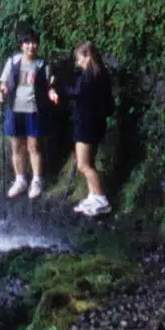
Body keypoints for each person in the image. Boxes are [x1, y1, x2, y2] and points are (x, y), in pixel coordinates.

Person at [0, 32, 59, 199]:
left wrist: (52, 93)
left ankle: (37, 180)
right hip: (14, 108)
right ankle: (20, 180)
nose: (31, 46)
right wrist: (1, 93)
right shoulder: (13, 61)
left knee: (34, 145)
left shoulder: (43, 65)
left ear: (38, 45)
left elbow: (50, 85)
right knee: (16, 146)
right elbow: (4, 83)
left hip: (34, 109)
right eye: (27, 42)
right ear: (21, 45)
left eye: (34, 43)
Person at [69, 42, 114, 217]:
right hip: (96, 123)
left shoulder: (89, 76)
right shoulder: (101, 74)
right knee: (89, 162)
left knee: (83, 165)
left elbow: (76, 93)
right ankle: (92, 196)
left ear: (88, 57)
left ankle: (101, 199)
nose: (78, 63)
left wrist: (55, 89)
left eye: (79, 59)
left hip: (86, 124)